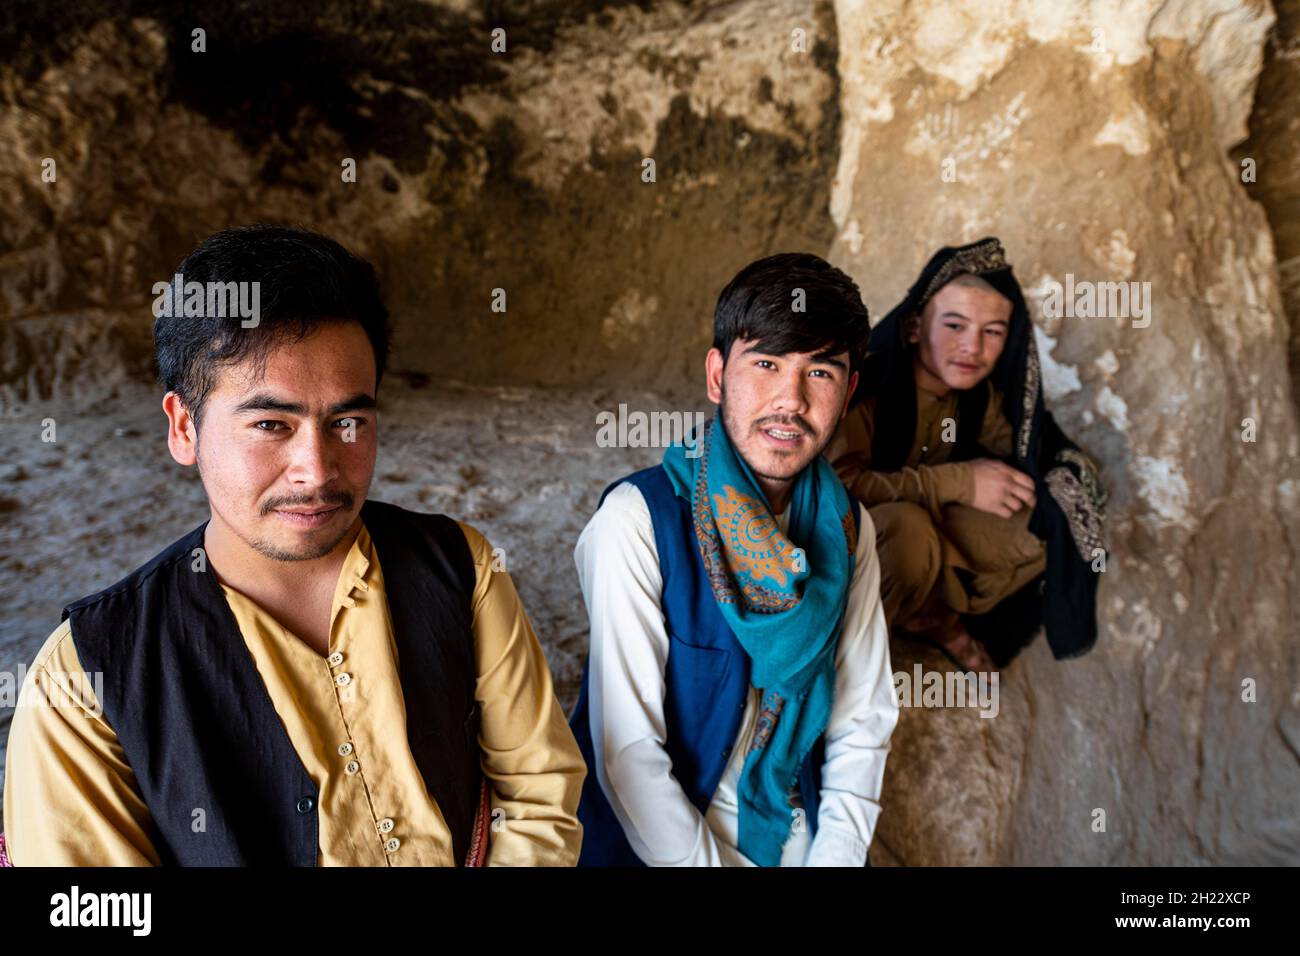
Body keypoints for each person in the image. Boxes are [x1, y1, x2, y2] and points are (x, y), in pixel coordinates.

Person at [3, 225, 585, 866]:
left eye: (348, 422)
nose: (317, 469)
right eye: (270, 424)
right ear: (183, 428)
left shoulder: (460, 568)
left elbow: (537, 794)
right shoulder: (84, 679)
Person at [569, 253, 900, 866]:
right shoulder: (639, 521)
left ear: (849, 391)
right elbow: (630, 753)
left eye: (820, 373)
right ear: (718, 376)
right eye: (767, 364)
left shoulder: (850, 529)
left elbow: (862, 720)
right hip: (661, 843)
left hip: (790, 831)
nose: (791, 401)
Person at [826, 237, 1106, 673]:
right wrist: (960, 482)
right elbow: (836, 492)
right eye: (954, 326)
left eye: (992, 332)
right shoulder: (867, 390)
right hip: (851, 545)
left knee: (1051, 514)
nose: (972, 348)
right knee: (909, 531)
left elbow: (1022, 448)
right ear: (916, 326)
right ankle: (844, 664)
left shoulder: (977, 399)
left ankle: (927, 614)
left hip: (925, 533)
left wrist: (1063, 480)